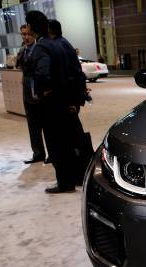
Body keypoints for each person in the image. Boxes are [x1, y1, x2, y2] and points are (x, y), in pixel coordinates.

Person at [26, 10, 77, 194]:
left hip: (51, 103)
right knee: (64, 142)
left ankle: (64, 183)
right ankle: (70, 179)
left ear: (31, 26)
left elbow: (43, 73)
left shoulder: (41, 47)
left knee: (55, 144)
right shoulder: (56, 44)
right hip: (63, 99)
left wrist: (43, 92)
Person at [48, 19, 93, 185]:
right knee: (74, 136)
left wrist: (73, 101)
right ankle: (80, 172)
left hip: (69, 98)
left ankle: (79, 174)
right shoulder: (63, 44)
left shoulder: (60, 46)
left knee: (72, 138)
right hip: (72, 97)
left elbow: (69, 75)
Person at [16, 24, 47, 164]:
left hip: (40, 93)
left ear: (33, 34)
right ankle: (38, 153)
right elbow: (19, 66)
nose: (26, 37)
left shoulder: (39, 49)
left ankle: (52, 155)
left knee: (47, 126)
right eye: (23, 34)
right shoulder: (22, 50)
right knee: (32, 127)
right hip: (27, 93)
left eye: (28, 34)